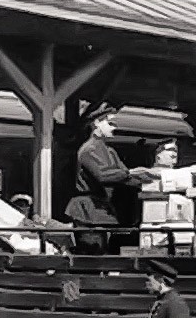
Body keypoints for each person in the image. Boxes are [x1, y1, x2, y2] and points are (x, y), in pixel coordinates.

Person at [65, 104, 155, 254]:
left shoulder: (110, 151)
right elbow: (103, 175)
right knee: (92, 252)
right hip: (87, 209)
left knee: (107, 250)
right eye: (110, 123)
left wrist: (150, 183)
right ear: (96, 124)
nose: (114, 128)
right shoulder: (88, 149)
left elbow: (125, 176)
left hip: (102, 208)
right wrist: (132, 172)